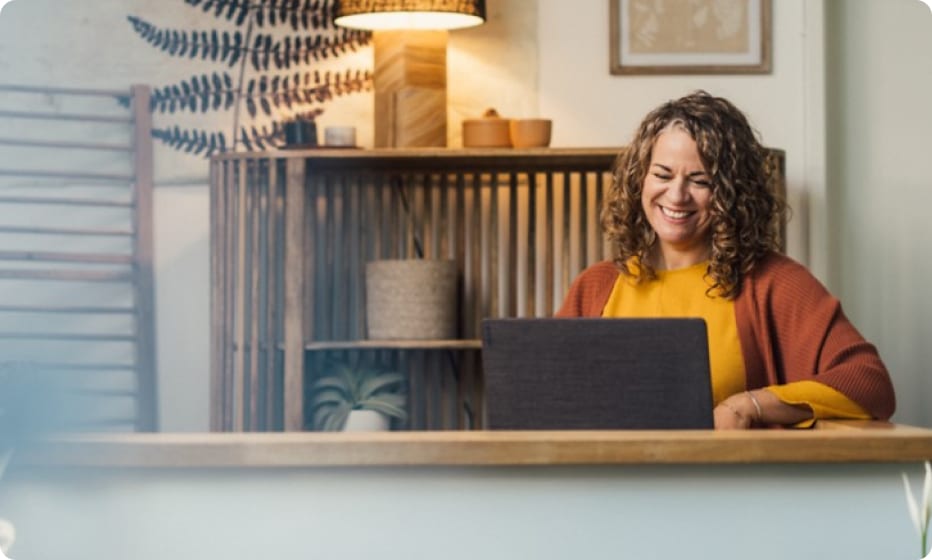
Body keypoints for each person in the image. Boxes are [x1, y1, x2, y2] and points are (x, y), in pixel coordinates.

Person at [556, 91, 895, 429]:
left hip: (726, 479)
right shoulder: (596, 285)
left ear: (733, 191)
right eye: (662, 175)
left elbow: (869, 383)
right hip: (611, 478)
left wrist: (748, 405)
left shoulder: (773, 282)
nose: (677, 195)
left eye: (700, 180)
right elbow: (546, 392)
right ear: (639, 179)